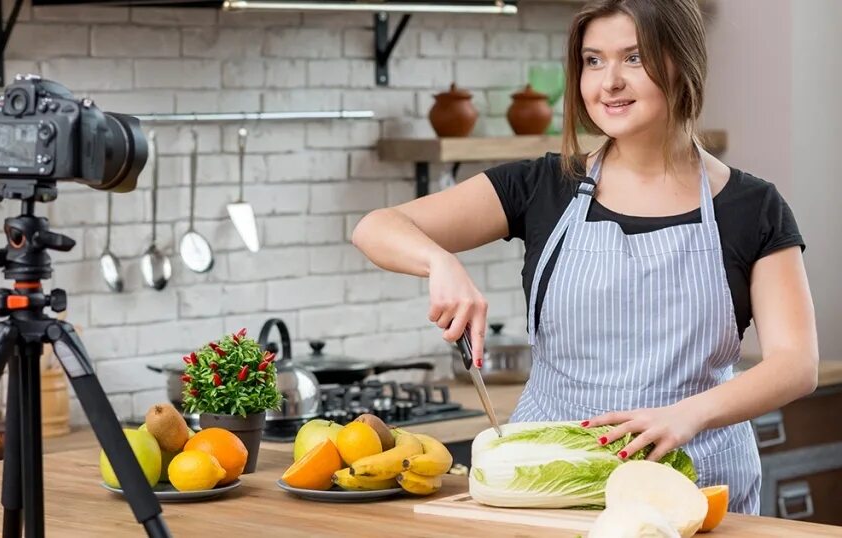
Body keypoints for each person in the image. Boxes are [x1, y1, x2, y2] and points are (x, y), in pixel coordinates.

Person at [351, 0, 818, 514]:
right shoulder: (542, 186)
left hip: (694, 490)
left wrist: (687, 416)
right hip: (547, 488)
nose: (609, 82)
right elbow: (377, 227)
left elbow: (795, 364)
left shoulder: (751, 207)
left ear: (682, 61)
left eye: (634, 58)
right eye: (593, 61)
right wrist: (440, 262)